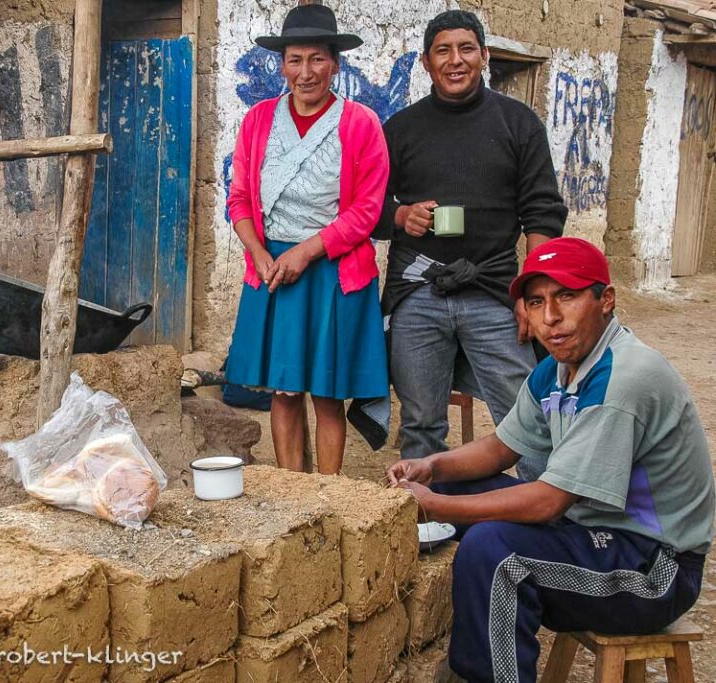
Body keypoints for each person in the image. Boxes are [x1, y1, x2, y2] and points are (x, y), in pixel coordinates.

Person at [387, 237, 715, 683]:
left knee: (495, 552)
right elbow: (502, 448)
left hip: (654, 567)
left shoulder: (623, 378)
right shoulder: (558, 368)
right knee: (450, 486)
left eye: (567, 296)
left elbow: (548, 502)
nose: (551, 318)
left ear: (606, 300)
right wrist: (433, 469)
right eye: (537, 302)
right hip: (592, 530)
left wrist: (438, 508)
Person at [376, 10, 568, 466]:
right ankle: (428, 516)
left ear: (484, 56)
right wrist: (402, 216)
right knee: (421, 419)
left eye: (466, 49)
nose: (455, 60)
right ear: (426, 62)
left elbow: (542, 210)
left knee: (525, 413)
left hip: (495, 291)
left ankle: (539, 516)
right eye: (443, 50)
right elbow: (366, 208)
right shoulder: (401, 128)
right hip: (418, 290)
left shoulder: (518, 123)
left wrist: (534, 296)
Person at [225, 5, 390, 475]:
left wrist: (307, 250)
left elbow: (366, 211)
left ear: (336, 63)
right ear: (282, 65)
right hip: (272, 269)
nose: (305, 72)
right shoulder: (258, 120)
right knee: (283, 389)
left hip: (332, 271)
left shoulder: (360, 124)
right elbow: (238, 200)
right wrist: (258, 253)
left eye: (316, 59)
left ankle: (328, 494)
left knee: (327, 392)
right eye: (295, 60)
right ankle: (292, 493)